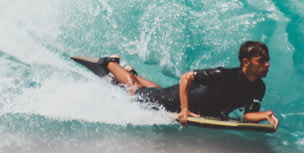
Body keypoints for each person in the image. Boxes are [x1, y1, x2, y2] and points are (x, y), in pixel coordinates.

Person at [102, 40, 279, 129]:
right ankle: (110, 63)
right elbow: (187, 77)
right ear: (246, 62)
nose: (267, 64)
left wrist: (266, 115)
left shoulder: (258, 87)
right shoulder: (223, 75)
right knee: (135, 93)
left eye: (267, 60)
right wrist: (185, 110)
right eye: (261, 61)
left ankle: (131, 73)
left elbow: (248, 116)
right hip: (175, 101)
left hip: (188, 101)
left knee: (156, 90)